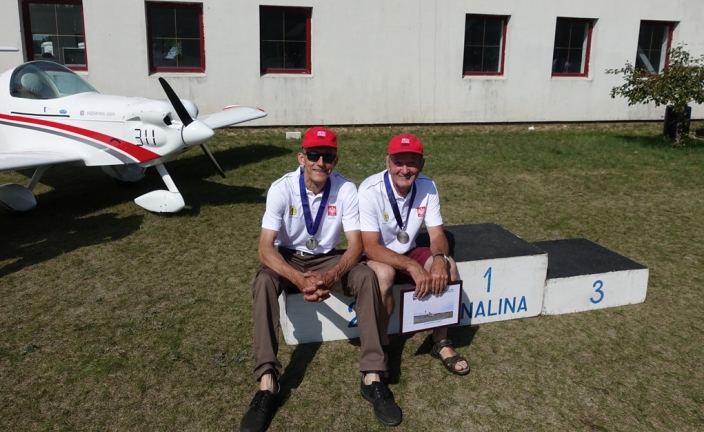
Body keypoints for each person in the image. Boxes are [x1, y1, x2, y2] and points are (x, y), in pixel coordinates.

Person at [240, 127, 402, 432]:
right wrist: (298, 279)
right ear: (301, 157)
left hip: (328, 258)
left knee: (365, 275)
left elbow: (355, 246)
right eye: (314, 155)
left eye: (327, 156)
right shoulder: (282, 188)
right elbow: (264, 248)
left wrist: (331, 275)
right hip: (287, 257)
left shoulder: (345, 189)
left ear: (335, 160)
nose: (320, 162)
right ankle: (267, 383)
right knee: (263, 282)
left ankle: (373, 376)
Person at [358, 133, 470, 376]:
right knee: (384, 275)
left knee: (449, 266)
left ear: (422, 164)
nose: (405, 169)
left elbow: (437, 235)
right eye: (398, 162)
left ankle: (440, 340)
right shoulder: (369, 189)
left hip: (409, 250)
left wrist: (439, 259)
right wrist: (411, 266)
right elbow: (371, 247)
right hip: (379, 255)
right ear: (387, 162)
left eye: (412, 163)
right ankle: (382, 344)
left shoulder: (428, 186)